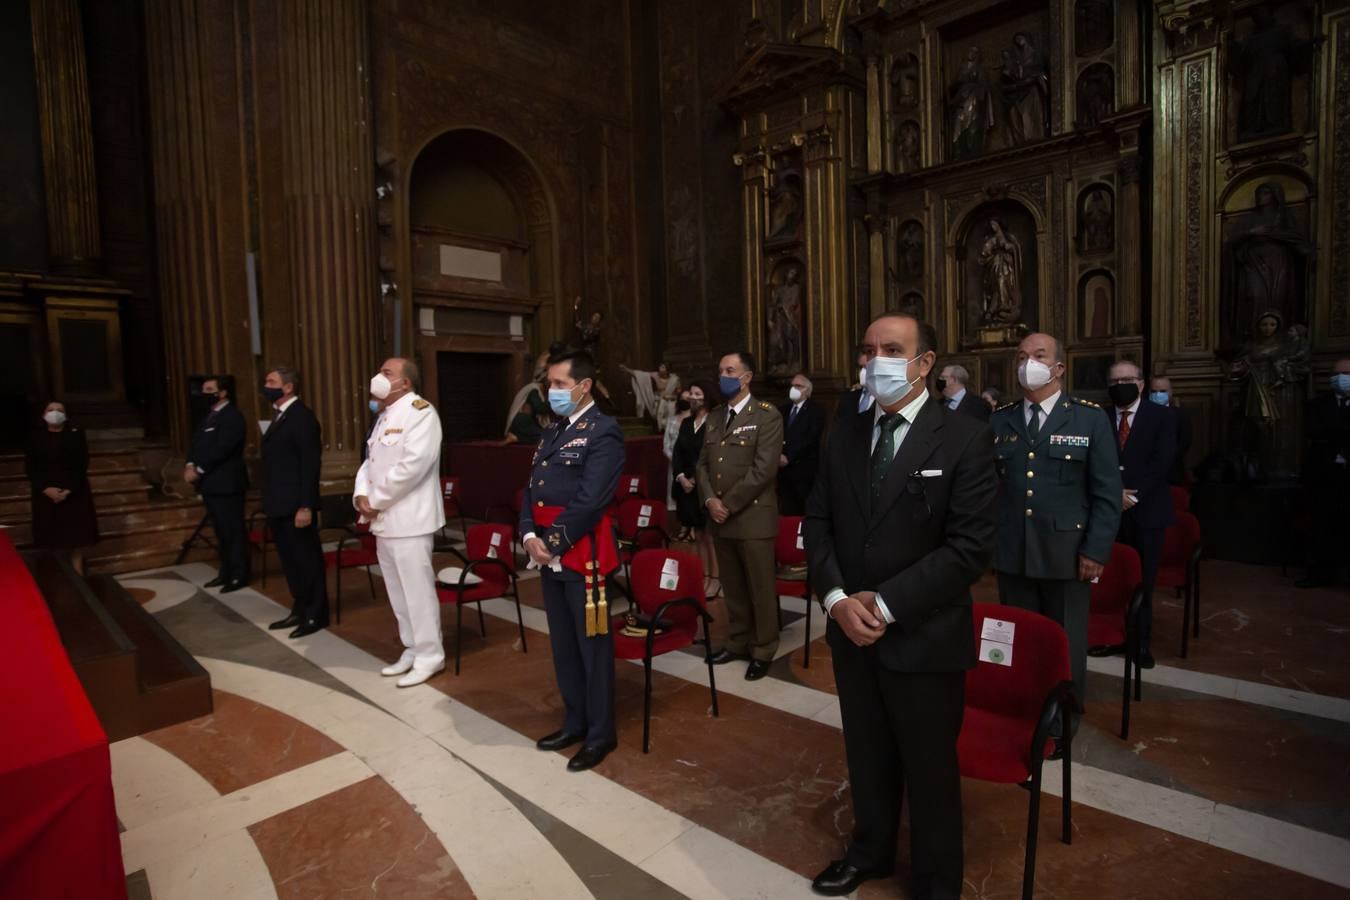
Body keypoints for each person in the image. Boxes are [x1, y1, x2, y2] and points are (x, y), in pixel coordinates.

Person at [804, 312, 996, 899]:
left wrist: (883, 606)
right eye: (867, 350)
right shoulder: (847, 433)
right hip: (850, 633)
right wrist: (836, 599)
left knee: (930, 770)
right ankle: (871, 852)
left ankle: (937, 883)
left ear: (924, 363)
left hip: (923, 635)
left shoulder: (965, 436)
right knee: (867, 756)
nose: (875, 361)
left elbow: (969, 550)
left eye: (891, 349)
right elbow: (819, 522)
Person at [991, 333, 1120, 725]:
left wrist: (1095, 551)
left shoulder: (1089, 417)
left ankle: (1063, 719)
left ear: (1059, 367)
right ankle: (1025, 712)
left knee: (1064, 641)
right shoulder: (1000, 419)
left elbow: (1107, 494)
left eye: (1039, 355)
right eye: (1022, 356)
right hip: (1013, 551)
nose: (1028, 362)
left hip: (1067, 553)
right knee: (1018, 637)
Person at [521, 350, 625, 771]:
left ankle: (601, 734)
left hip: (583, 556)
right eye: (550, 384)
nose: (552, 391)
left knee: (592, 650)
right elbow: (530, 488)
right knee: (564, 647)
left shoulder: (604, 432)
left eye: (560, 385)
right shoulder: (551, 432)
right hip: (549, 555)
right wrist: (529, 534)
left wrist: (553, 541)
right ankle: (575, 720)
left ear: (583, 387)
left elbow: (591, 499)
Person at [355, 358, 446, 687]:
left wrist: (374, 500)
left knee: (418, 593)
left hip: (410, 520)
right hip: (384, 522)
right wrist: (360, 496)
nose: (378, 377)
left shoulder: (421, 413)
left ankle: (430, 655)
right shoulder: (384, 416)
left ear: (405, 383)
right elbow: (370, 462)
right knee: (398, 592)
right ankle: (411, 647)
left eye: (387, 373)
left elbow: (413, 467)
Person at [698, 351, 783, 680]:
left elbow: (763, 470)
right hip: (720, 518)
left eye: (730, 370)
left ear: (746, 377)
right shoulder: (716, 416)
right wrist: (708, 500)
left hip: (752, 518)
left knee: (760, 587)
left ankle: (763, 648)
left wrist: (726, 504)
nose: (723, 376)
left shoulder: (767, 415)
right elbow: (703, 464)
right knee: (732, 586)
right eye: (720, 370)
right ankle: (737, 641)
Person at [1105, 361, 1175, 669]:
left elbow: (1163, 462)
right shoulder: (1100, 416)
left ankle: (1141, 641)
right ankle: (1113, 635)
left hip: (1147, 512)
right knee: (1111, 577)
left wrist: (1133, 495)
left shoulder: (1162, 416)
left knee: (1143, 581)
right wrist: (1113, 495)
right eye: (1115, 380)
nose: (1122, 383)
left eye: (1128, 379)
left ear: (1141, 383)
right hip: (1109, 511)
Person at [259, 365, 329, 638]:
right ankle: (300, 608)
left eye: (271, 380)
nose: (266, 384)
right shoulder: (279, 416)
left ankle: (315, 614)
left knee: (306, 560)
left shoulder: (302, 417)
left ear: (288, 387)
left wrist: (305, 505)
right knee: (290, 561)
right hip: (278, 502)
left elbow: (309, 465)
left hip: (296, 505)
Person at [185, 376, 249, 591]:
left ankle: (239, 574)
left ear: (223, 393)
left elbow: (223, 448)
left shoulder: (232, 417)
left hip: (227, 483)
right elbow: (196, 443)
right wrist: (190, 463)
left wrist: (199, 468)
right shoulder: (208, 417)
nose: (204, 394)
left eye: (209, 390)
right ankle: (226, 571)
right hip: (211, 484)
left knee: (233, 530)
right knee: (220, 532)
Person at [25, 401, 99, 574]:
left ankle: (79, 577)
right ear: (43, 415)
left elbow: (82, 464)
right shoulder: (35, 437)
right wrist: (45, 489)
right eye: (50, 410)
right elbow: (30, 468)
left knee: (77, 540)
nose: (55, 413)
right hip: (45, 494)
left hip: (74, 492)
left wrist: (68, 489)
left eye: (59, 410)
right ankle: (57, 579)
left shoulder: (76, 435)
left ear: (66, 415)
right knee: (52, 539)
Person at [1298, 359, 1350, 588]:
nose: (1341, 377)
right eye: (1337, 373)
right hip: (1323, 475)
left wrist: (1336, 436)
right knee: (1321, 526)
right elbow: (1313, 432)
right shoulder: (1317, 404)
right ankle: (1319, 574)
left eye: (1346, 373)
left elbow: (1330, 433)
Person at [672, 379, 720, 596]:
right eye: (691, 393)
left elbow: (712, 455)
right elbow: (678, 453)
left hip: (706, 485)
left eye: (697, 393)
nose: (692, 397)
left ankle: (716, 579)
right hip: (687, 487)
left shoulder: (715, 422)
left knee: (709, 535)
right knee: (698, 535)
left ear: (706, 396)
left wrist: (695, 477)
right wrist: (682, 477)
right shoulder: (686, 423)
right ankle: (705, 576)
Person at [778, 373, 825, 516]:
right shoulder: (783, 410)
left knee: (805, 511)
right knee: (787, 512)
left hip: (804, 471)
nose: (794, 389)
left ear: (808, 391)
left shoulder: (816, 411)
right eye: (792, 385)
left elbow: (810, 439)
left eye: (798, 386)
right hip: (783, 472)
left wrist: (788, 457)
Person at [1149, 375, 1192, 485]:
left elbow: (1185, 442)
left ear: (1170, 392)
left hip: (1172, 474)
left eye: (1163, 391)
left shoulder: (1181, 415)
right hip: (1146, 473)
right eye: (1154, 391)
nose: (1158, 394)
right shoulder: (1141, 414)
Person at [621, 361, 682, 432]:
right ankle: (659, 428)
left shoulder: (674, 379)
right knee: (660, 404)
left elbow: (679, 392)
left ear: (668, 370)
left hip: (670, 399)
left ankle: (668, 428)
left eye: (663, 367)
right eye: (660, 366)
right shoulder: (656, 375)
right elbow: (641, 375)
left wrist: (671, 396)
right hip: (658, 399)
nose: (660, 368)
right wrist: (626, 369)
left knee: (671, 406)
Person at [834, 348, 874, 422]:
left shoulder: (885, 397)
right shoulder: (849, 396)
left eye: (866, 367)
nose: (862, 372)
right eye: (860, 368)